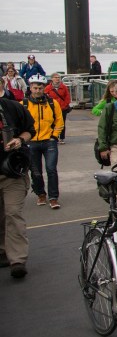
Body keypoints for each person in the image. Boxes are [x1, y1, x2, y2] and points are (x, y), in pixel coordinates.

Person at [0, 95, 35, 278]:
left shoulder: (13, 108)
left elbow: (30, 130)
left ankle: (18, 259)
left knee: (13, 212)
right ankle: (3, 251)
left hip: (11, 172)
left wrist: (20, 140)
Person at [24, 74, 64, 209]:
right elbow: (19, 123)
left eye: (40, 88)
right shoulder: (24, 104)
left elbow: (59, 120)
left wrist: (54, 136)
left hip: (49, 141)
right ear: (30, 88)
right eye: (35, 88)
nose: (37, 90)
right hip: (32, 142)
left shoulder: (52, 103)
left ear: (44, 88)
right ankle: (41, 194)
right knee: (35, 171)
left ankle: (53, 197)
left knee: (51, 169)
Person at [45, 73, 71, 143]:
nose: (57, 79)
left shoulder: (64, 87)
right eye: (55, 77)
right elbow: (45, 97)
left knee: (62, 123)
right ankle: (54, 137)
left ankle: (62, 138)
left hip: (62, 108)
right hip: (52, 108)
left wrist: (65, 105)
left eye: (59, 77)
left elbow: (67, 97)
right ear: (52, 79)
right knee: (52, 123)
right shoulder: (48, 88)